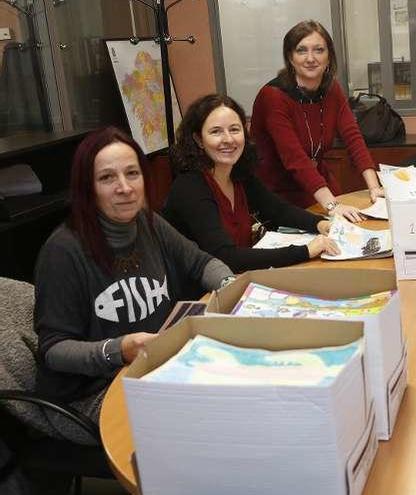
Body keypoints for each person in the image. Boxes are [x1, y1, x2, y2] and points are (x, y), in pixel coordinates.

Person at [34, 127, 234, 436]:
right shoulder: (63, 251)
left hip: (151, 371)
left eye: (132, 173)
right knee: (203, 424)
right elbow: (54, 351)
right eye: (107, 178)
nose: (125, 188)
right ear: (87, 188)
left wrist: (232, 288)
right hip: (89, 395)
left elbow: (203, 262)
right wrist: (118, 349)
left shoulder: (149, 222)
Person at [164, 94, 340, 273]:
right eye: (216, 131)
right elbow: (226, 257)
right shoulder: (190, 187)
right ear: (199, 140)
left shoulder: (238, 174)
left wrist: (321, 224)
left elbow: (278, 210)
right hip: (202, 293)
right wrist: (306, 251)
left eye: (234, 129)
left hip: (238, 279)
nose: (228, 139)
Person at [250, 20, 382, 221]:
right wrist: (332, 205)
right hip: (279, 195)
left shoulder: (332, 89)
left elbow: (353, 137)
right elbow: (295, 159)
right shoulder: (273, 97)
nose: (310, 58)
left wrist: (374, 187)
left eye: (318, 50)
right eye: (301, 50)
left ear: (329, 56)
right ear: (290, 57)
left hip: (319, 186)